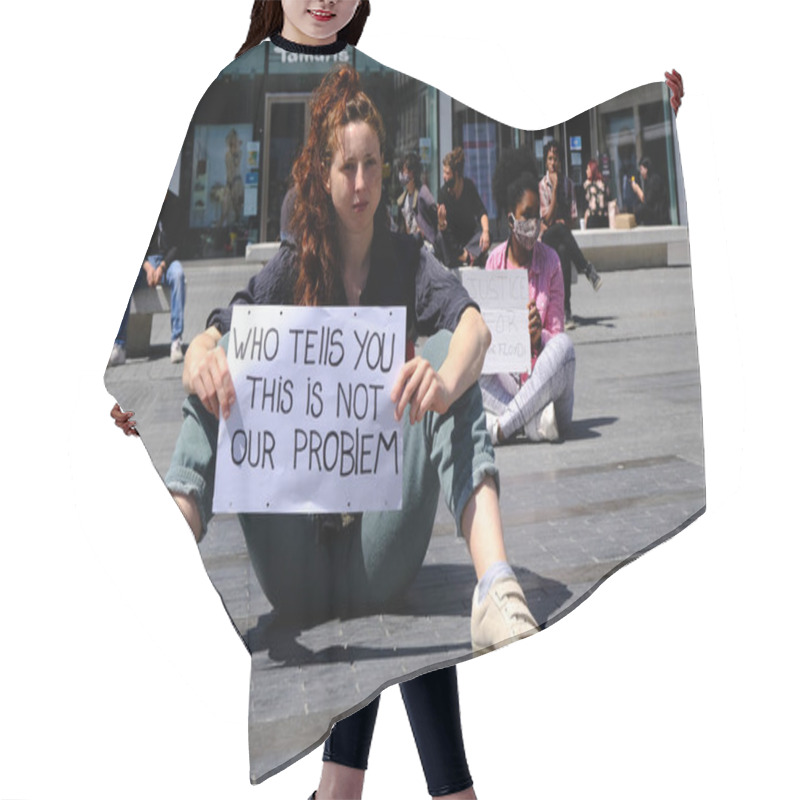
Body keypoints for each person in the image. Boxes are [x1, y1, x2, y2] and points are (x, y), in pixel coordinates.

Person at [480, 172, 575, 445]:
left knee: (565, 348)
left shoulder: (551, 262)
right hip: (508, 386)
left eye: (538, 216)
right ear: (511, 219)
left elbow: (555, 336)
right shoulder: (494, 263)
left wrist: (538, 338)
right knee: (463, 353)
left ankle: (500, 429)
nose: (534, 224)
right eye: (527, 215)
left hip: (547, 389)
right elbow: (489, 342)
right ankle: (533, 424)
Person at [108, 189, 187, 366]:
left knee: (179, 275)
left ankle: (176, 341)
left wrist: (161, 267)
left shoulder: (175, 204)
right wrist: (147, 266)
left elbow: (177, 244)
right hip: (145, 263)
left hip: (167, 262)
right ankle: (119, 346)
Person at [539, 140, 601, 328]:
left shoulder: (569, 184)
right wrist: (555, 190)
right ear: (546, 162)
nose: (553, 163)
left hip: (563, 235)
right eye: (549, 159)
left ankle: (566, 311)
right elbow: (547, 220)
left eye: (555, 159)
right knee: (557, 228)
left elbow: (573, 217)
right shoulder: (542, 185)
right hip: (547, 236)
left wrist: (564, 221)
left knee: (564, 252)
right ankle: (586, 268)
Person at [435, 147, 490, 268]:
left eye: (447, 173)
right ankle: (468, 257)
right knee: (440, 237)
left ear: (456, 174)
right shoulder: (443, 194)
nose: (444, 177)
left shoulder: (469, 187)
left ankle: (470, 256)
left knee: (484, 236)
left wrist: (486, 232)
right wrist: (441, 224)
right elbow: (445, 231)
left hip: (469, 240)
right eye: (443, 172)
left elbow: (481, 212)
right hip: (452, 243)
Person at [397, 151, 438, 247]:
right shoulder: (404, 198)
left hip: (426, 247)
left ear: (413, 173)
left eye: (405, 171)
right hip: (412, 246)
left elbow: (434, 216)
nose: (402, 174)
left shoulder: (423, 193)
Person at [632, 156, 669, 225]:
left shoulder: (654, 180)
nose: (641, 172)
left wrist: (637, 189)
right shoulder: (649, 180)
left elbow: (647, 201)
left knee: (640, 209)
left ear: (646, 169)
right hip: (655, 213)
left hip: (659, 216)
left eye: (641, 169)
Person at [583, 159, 610, 229]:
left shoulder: (587, 185)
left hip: (592, 218)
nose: (586, 171)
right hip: (604, 218)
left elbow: (587, 203)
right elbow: (608, 198)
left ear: (592, 170)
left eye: (588, 169)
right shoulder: (603, 184)